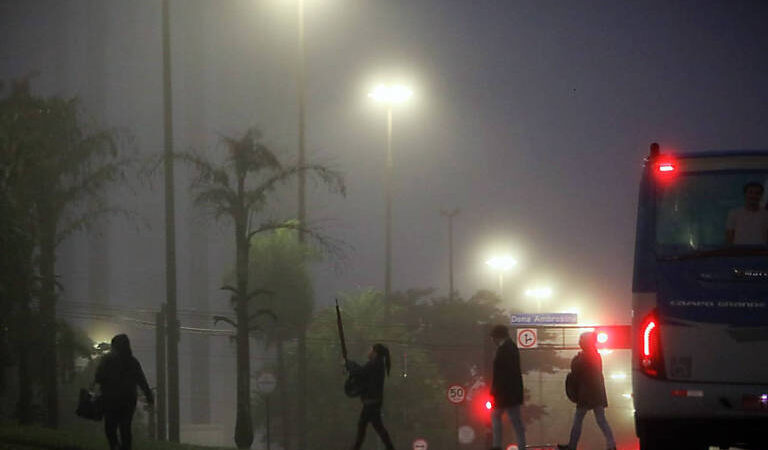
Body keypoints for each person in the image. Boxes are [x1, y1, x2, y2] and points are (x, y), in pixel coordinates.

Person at [94, 334, 153, 450]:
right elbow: (141, 380)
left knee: (110, 427)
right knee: (125, 427)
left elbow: (98, 377)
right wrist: (149, 396)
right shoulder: (132, 362)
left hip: (111, 399)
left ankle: (115, 446)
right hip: (128, 400)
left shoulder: (108, 360)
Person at [558, 332, 616, 450]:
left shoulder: (586, 356)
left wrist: (577, 358)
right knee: (600, 420)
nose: (580, 342)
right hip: (596, 393)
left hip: (587, 393)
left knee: (579, 419)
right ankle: (611, 445)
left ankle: (572, 446)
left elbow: (576, 368)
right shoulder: (594, 354)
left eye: (581, 339)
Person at [346, 343, 396, 450]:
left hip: (371, 403)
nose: (369, 352)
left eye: (370, 350)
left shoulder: (375, 364)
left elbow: (360, 372)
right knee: (375, 427)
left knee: (364, 426)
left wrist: (349, 364)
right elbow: (362, 372)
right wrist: (350, 364)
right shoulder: (377, 364)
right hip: (373, 402)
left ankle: (356, 448)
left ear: (375, 353)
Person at [489, 325, 526, 450]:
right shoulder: (511, 348)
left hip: (505, 393)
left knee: (502, 418)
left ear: (498, 336)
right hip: (510, 392)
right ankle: (517, 446)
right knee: (515, 421)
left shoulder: (505, 349)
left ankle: (497, 445)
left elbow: (502, 373)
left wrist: (495, 390)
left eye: (493, 337)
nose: (493, 340)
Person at [725, 181, 768, 245]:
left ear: (761, 196)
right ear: (745, 194)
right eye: (750, 192)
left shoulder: (766, 215)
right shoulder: (734, 213)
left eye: (757, 193)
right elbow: (729, 237)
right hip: (739, 253)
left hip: (761, 254)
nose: (753, 196)